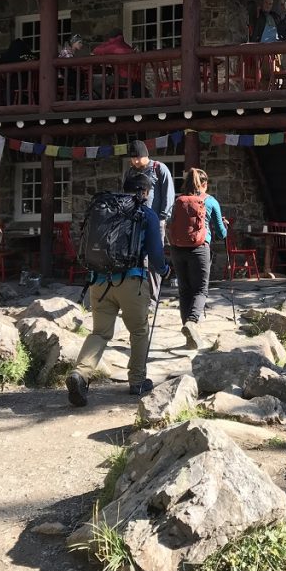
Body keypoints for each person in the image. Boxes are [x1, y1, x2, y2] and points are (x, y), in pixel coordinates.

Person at [66, 172, 171, 407]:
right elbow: (155, 253)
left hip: (99, 281)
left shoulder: (104, 209)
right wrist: (164, 270)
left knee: (100, 333)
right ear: (145, 192)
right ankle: (137, 381)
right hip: (131, 282)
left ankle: (80, 374)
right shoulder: (146, 214)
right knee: (139, 331)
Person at [173, 168, 228, 346]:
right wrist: (225, 226)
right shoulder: (210, 201)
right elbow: (221, 233)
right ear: (204, 184)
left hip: (178, 249)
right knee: (200, 290)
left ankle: (189, 337)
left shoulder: (178, 201)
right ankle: (192, 322)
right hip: (199, 249)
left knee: (184, 290)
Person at [123, 140, 175, 237]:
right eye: (133, 158)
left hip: (155, 220)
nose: (136, 161)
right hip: (134, 221)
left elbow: (168, 194)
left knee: (155, 251)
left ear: (146, 155)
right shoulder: (129, 172)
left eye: (138, 157)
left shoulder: (159, 168)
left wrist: (163, 219)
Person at [92, 28, 141, 96]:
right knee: (108, 79)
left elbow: (96, 50)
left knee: (96, 82)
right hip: (133, 78)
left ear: (111, 37)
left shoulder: (114, 46)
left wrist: (107, 43)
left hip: (123, 77)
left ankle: (107, 100)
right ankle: (112, 97)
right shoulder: (126, 45)